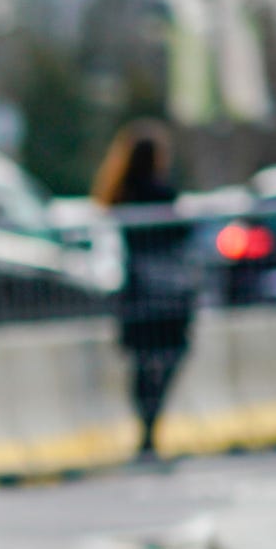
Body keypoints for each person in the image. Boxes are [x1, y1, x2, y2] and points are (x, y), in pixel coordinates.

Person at [92, 120, 196, 460]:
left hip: (138, 290)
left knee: (142, 363)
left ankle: (146, 432)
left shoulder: (120, 194)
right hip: (164, 291)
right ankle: (150, 430)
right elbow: (183, 235)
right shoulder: (162, 194)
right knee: (165, 357)